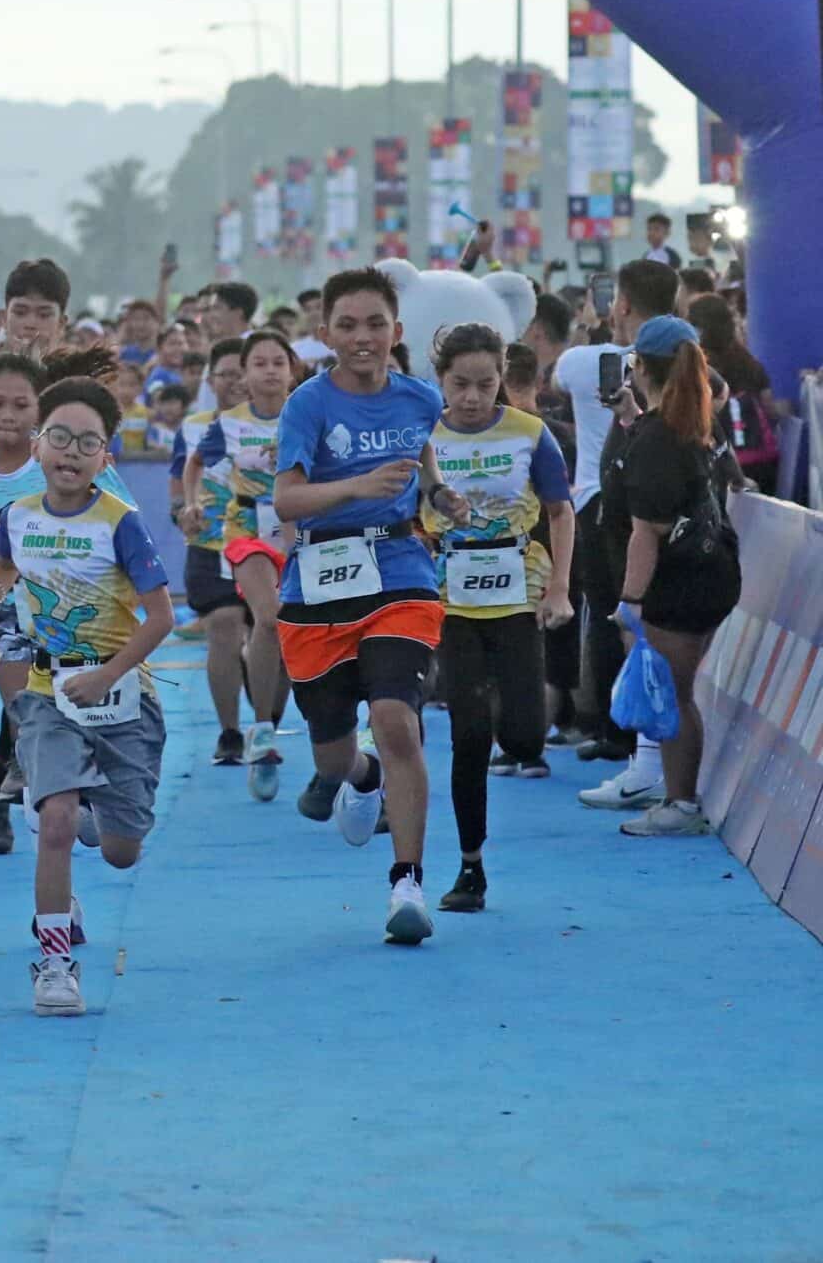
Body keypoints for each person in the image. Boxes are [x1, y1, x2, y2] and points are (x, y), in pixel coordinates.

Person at [0, 375, 173, 1015]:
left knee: (121, 850)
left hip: (122, 693)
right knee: (51, 823)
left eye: (87, 443)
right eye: (59, 437)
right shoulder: (16, 516)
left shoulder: (122, 523)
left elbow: (160, 618)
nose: (69, 453)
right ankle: (54, 960)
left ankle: (76, 811)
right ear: (38, 442)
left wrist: (107, 674)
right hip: (49, 692)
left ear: (106, 456)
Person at [269, 268, 466, 946]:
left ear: (397, 333)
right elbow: (286, 502)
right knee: (332, 756)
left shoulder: (419, 399)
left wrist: (439, 497)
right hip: (319, 584)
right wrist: (354, 487)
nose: (363, 338)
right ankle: (360, 776)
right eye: (347, 326)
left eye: (375, 324)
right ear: (325, 335)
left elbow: (423, 461)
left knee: (396, 718)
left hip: (401, 572)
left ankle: (406, 882)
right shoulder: (307, 405)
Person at [421, 323, 574, 913]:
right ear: (442, 381)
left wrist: (559, 589)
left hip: (517, 595)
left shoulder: (530, 434)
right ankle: (470, 868)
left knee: (524, 735)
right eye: (460, 385)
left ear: (503, 379)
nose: (473, 397)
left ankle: (520, 736)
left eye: (486, 385)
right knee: (468, 736)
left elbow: (560, 513)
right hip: (452, 602)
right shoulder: (423, 438)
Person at [602, 316, 743, 838]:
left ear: (639, 367)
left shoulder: (661, 438)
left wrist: (630, 602)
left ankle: (682, 804)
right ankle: (677, 795)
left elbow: (647, 533)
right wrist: (631, 416)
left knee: (673, 693)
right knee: (674, 690)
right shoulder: (689, 422)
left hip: (680, 582)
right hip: (711, 570)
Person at [557, 259, 681, 798]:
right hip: (631, 514)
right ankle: (646, 760)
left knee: (636, 629)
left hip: (640, 520)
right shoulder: (682, 365)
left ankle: (649, 763)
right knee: (636, 632)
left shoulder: (594, 361)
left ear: (621, 304)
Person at [187, 330, 304, 796]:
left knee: (289, 626)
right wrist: (193, 503)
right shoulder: (229, 423)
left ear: (291, 369)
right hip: (247, 530)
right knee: (269, 618)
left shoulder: (308, 413)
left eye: (279, 361)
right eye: (260, 362)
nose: (270, 370)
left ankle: (270, 720)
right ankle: (257, 728)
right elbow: (196, 463)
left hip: (300, 529)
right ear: (246, 374)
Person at [173, 337, 250, 778]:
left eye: (245, 371)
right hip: (211, 548)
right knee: (223, 626)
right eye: (227, 374)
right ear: (212, 380)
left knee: (266, 637)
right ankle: (230, 731)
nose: (237, 381)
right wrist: (183, 513)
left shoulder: (289, 421)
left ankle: (265, 718)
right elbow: (175, 488)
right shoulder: (193, 428)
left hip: (272, 548)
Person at [688, 294, 778, 495]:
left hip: (720, 461)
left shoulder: (699, 369)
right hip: (763, 458)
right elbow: (770, 408)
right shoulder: (749, 363)